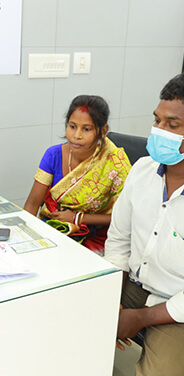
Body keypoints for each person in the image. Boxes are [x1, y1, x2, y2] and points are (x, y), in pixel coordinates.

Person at [104, 74, 184, 376]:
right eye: (157, 120)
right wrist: (112, 296)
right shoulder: (142, 170)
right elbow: (119, 241)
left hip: (175, 306)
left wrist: (141, 318)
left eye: (172, 125)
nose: (158, 131)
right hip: (131, 284)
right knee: (67, 317)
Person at [24, 95, 131, 255]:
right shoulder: (53, 155)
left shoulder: (115, 163)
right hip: (53, 227)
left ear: (103, 131)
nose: (77, 135)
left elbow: (123, 218)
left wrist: (77, 218)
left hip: (97, 236)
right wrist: (24, 237)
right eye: (72, 126)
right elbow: (32, 205)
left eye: (86, 129)